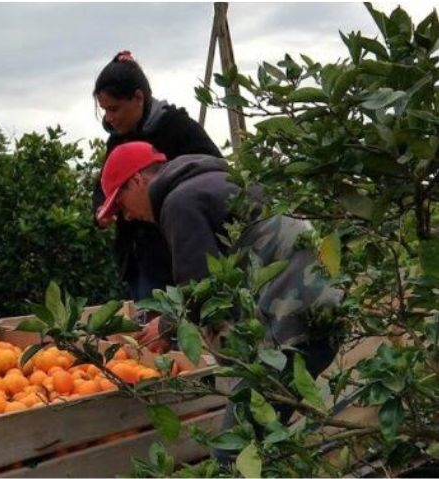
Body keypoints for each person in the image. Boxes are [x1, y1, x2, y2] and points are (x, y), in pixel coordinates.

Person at [96, 141, 342, 460]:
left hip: (292, 329)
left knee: (234, 450)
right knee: (263, 443)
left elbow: (201, 291)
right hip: (320, 311)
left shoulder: (179, 202)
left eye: (121, 204)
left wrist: (167, 324)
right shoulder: (212, 181)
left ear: (137, 180)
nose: (126, 216)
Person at [92, 50, 222, 302]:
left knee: (186, 317)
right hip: (140, 259)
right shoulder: (117, 139)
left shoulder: (178, 128)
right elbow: (104, 186)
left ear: (138, 98)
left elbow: (214, 173)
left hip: (178, 252)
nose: (109, 118)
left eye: (114, 109)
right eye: (104, 111)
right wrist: (101, 210)